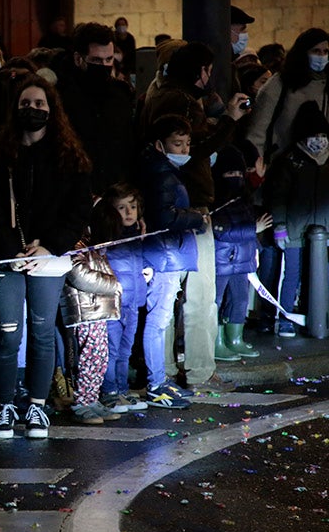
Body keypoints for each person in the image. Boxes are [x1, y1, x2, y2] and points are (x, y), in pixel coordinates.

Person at [0, 74, 91, 439]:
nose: (33, 110)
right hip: (5, 256)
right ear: (15, 109)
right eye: (26, 104)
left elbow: (77, 211)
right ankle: (6, 405)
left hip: (50, 256)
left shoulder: (70, 156)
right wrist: (10, 249)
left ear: (52, 110)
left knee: (42, 333)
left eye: (40, 104)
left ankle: (37, 407)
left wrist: (49, 245)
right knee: (8, 334)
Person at [141, 42, 251, 392]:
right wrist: (229, 122)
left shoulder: (158, 94)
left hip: (171, 205)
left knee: (167, 295)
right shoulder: (182, 102)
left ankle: (167, 368)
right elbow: (199, 148)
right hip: (189, 207)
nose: (209, 77)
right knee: (200, 294)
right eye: (205, 70)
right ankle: (201, 370)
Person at [139, 115, 207, 409]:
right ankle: (155, 385)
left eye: (187, 143)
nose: (183, 150)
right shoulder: (162, 174)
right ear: (159, 144)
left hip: (169, 253)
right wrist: (197, 218)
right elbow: (165, 216)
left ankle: (158, 380)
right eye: (176, 144)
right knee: (158, 321)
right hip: (165, 255)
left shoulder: (161, 170)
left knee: (161, 320)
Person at [262, 101, 329, 338]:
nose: (319, 141)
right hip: (293, 228)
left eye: (323, 135)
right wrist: (279, 225)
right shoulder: (290, 161)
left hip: (323, 230)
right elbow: (278, 195)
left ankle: (319, 315)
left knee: (320, 274)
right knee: (290, 274)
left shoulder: (327, 160)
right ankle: (285, 316)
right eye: (314, 135)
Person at [57, 22, 135, 194]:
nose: (104, 66)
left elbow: (127, 146)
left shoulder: (121, 95)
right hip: (75, 194)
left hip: (116, 194)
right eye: (96, 60)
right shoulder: (60, 98)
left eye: (109, 60)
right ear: (79, 59)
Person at [61, 211, 122, 425]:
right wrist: (113, 284)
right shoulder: (77, 246)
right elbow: (78, 274)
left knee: (99, 357)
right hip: (85, 312)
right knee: (87, 357)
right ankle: (81, 402)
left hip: (96, 311)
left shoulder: (92, 246)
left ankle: (92, 398)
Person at [211, 146, 270, 356]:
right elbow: (223, 231)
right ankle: (216, 342)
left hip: (243, 260)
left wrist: (255, 247)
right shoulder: (217, 202)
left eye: (238, 173)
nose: (235, 178)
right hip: (222, 261)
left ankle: (235, 338)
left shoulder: (243, 198)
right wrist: (253, 229)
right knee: (217, 300)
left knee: (241, 300)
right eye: (230, 174)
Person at [97, 184, 149, 413]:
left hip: (133, 302)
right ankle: (109, 391)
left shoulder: (138, 234)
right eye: (121, 207)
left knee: (126, 348)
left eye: (133, 206)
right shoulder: (107, 237)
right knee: (112, 348)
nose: (129, 212)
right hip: (113, 304)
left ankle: (121, 388)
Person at [247, 29, 328, 159]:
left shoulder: (325, 85)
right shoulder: (280, 83)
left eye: (325, 52)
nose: (321, 56)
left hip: (318, 167)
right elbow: (258, 130)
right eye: (316, 51)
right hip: (280, 163)